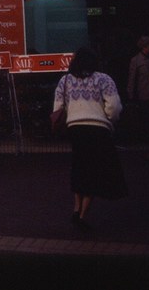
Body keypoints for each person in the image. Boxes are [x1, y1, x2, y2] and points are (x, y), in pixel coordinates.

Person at [52, 47, 127, 230]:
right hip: (98, 129)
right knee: (94, 171)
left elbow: (57, 107)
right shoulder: (104, 79)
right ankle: (83, 215)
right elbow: (114, 107)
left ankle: (76, 208)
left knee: (79, 167)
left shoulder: (66, 80)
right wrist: (110, 119)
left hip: (75, 128)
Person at [125, 36, 149, 144]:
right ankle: (144, 138)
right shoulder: (136, 60)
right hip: (143, 93)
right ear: (144, 47)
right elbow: (132, 78)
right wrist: (130, 94)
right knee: (144, 117)